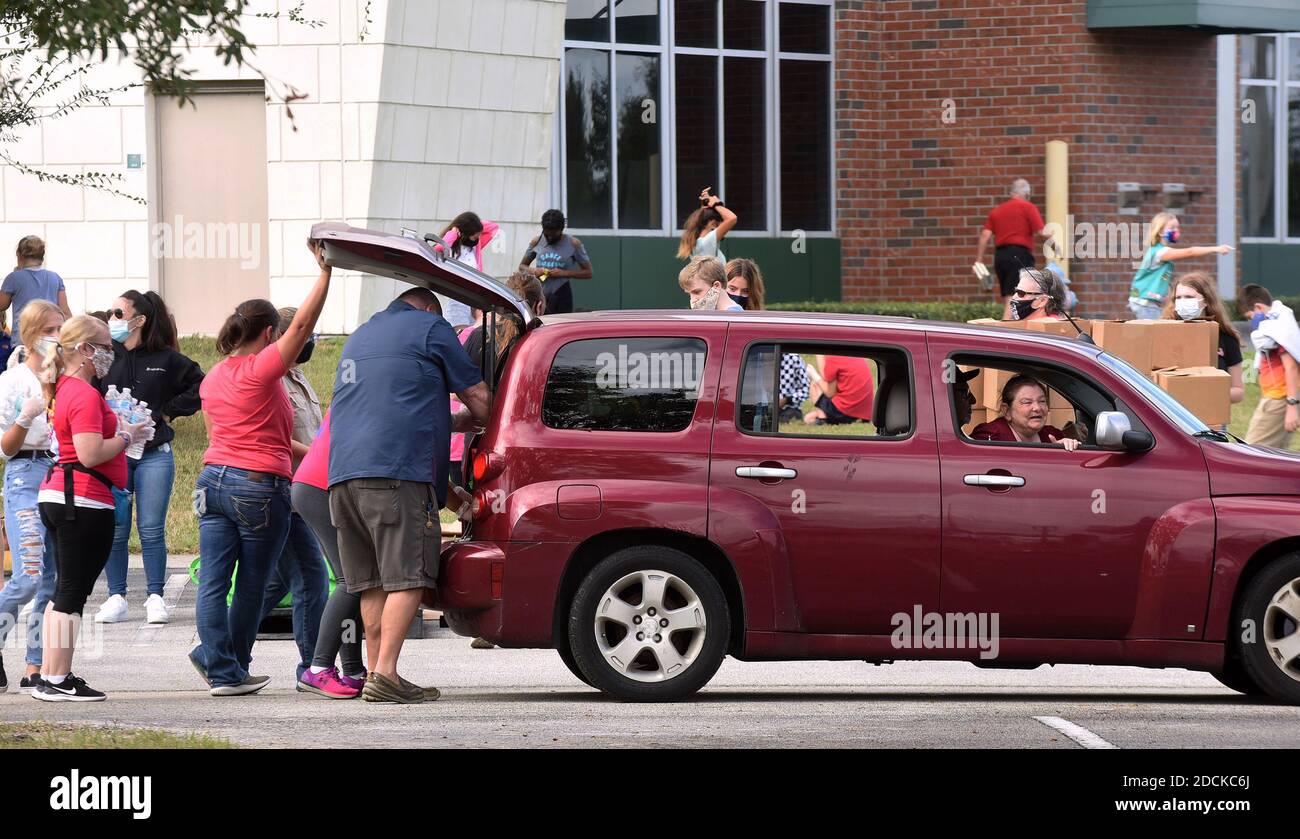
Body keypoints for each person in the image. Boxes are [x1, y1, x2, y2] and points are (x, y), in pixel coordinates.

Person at [328, 287, 491, 703]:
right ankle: (386, 673)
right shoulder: (430, 327)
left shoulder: (361, 334)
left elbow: (403, 406)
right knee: (409, 575)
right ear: (431, 309)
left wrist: (452, 425)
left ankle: (375, 673)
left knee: (372, 582)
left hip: (343, 476)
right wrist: (499, 422)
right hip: (395, 475)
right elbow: (476, 395)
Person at [189, 241, 332, 697]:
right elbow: (304, 322)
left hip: (213, 483)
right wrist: (325, 274)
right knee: (252, 585)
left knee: (213, 582)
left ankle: (220, 664)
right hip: (258, 487)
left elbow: (218, 436)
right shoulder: (261, 371)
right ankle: (230, 671)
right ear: (270, 333)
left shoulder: (213, 377)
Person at [32, 316, 151, 701]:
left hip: (61, 494)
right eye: (105, 347)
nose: (110, 355)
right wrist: (126, 436)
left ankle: (52, 674)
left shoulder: (62, 388)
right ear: (84, 350)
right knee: (72, 591)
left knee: (63, 589)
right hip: (81, 498)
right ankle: (57, 678)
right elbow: (90, 452)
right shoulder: (82, 393)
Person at [93, 290, 204, 625]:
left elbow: (201, 386)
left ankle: (156, 596)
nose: (112, 319)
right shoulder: (105, 356)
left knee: (152, 528)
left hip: (155, 454)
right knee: (116, 527)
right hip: (114, 454)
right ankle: (116, 596)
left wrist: (168, 412)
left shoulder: (167, 358)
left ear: (139, 319)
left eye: (118, 313)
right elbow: (87, 388)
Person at [257, 308, 329, 683]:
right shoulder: (272, 381)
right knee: (311, 577)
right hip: (283, 489)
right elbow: (277, 436)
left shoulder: (297, 377)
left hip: (303, 489)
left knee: (275, 582)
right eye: (305, 334)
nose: (311, 341)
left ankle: (217, 648)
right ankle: (314, 667)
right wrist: (319, 456)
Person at [0, 300, 63, 694]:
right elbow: (5, 449)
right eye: (51, 328)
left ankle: (35, 665)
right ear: (31, 333)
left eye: (62, 328)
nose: (58, 336)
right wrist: (25, 418)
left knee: (53, 581)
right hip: (25, 472)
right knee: (29, 577)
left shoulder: (68, 379)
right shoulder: (12, 381)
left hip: (62, 474)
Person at [292, 409, 365, 698]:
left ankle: (353, 670)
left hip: (312, 484)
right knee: (352, 580)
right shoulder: (373, 395)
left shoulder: (356, 390)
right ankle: (319, 668)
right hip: (322, 488)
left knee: (355, 581)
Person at [723, 258, 809, 422]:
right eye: (732, 288)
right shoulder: (709, 319)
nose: (737, 296)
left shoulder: (759, 325)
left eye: (745, 291)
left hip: (751, 402)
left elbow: (768, 378)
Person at [974, 179, 1062, 319]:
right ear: (1026, 193)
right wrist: (1055, 247)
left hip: (1000, 256)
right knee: (1019, 296)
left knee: (1008, 295)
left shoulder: (996, 211)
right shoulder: (1028, 207)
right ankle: (1007, 331)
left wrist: (979, 259)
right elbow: (1041, 232)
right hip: (1019, 255)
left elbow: (985, 235)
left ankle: (1012, 325)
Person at [1129, 212, 1233, 320]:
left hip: (1148, 302)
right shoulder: (1160, 252)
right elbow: (1190, 252)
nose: (1176, 231)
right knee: (1157, 334)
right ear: (1160, 231)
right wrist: (1216, 249)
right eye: (1172, 227)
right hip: (1145, 303)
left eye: (1177, 227)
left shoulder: (1158, 251)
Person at [1161, 272, 1244, 405]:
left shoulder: (1225, 338)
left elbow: (1238, 391)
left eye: (1189, 297)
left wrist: (1204, 394)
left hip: (1212, 417)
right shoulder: (1163, 335)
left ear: (1205, 300)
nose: (1182, 302)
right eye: (1178, 298)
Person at [1240, 284, 1300, 449]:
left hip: (1278, 400)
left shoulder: (1277, 328)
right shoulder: (1277, 325)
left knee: (1252, 454)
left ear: (1258, 307)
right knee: (1276, 458)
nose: (1250, 321)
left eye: (1249, 316)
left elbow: (1291, 366)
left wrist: (1292, 406)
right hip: (1278, 398)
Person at [970, 375, 1080, 450]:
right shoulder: (989, 436)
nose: (1037, 408)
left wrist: (1065, 450)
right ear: (1007, 411)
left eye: (1042, 401)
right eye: (1027, 402)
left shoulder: (1051, 435)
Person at [519, 209, 591, 315]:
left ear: (561, 229)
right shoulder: (537, 241)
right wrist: (534, 271)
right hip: (540, 292)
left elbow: (588, 272)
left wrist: (563, 273)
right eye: (547, 235)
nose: (549, 238)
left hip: (562, 293)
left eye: (553, 235)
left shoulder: (574, 244)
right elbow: (522, 266)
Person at [437, 212, 500, 328]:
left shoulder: (475, 246)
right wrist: (453, 233)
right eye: (475, 237)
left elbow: (494, 227)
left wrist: (474, 223)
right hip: (458, 299)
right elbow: (439, 248)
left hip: (473, 300)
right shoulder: (452, 247)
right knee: (459, 332)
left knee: (471, 334)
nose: (477, 239)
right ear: (465, 233)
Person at [0, 236, 72, 325]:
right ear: (42, 257)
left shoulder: (13, 278)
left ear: (19, 255)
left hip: (23, 335)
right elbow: (65, 312)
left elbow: (2, 305)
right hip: (49, 334)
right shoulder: (55, 278)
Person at [803, 355, 874, 426]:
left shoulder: (832, 358)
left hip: (846, 412)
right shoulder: (855, 355)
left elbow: (829, 392)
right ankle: (824, 417)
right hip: (865, 414)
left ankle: (822, 419)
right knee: (809, 417)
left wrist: (814, 375)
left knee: (814, 384)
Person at [676, 188, 736, 265]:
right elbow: (732, 218)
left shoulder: (699, 244)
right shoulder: (707, 243)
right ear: (713, 224)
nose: (723, 227)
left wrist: (708, 204)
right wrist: (716, 205)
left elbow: (703, 216)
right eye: (720, 223)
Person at [679, 256, 744, 311]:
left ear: (716, 286)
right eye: (689, 294)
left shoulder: (735, 317)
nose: (693, 300)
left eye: (697, 292)